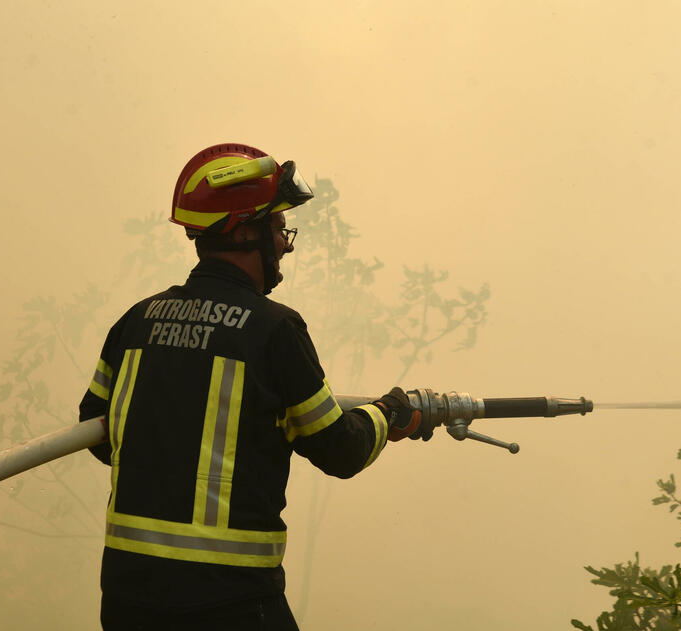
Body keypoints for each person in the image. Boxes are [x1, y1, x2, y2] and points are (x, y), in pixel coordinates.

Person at [78, 143, 434, 630]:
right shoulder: (274, 330)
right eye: (276, 227)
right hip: (231, 603)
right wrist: (390, 412)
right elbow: (340, 449)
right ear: (243, 230)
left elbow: (97, 433)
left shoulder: (134, 323)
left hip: (126, 600)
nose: (284, 244)